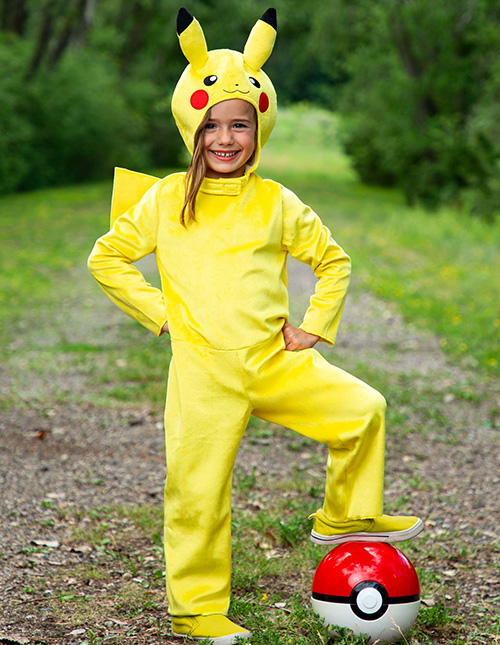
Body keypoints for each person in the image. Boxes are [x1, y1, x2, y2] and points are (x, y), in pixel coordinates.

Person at [88, 7, 423, 644]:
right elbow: (106, 258)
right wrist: (162, 315)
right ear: (191, 125)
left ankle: (344, 514)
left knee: (363, 409)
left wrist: (315, 326)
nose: (225, 137)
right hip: (202, 374)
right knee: (197, 492)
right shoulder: (163, 200)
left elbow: (333, 260)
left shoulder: (276, 201)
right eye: (211, 124)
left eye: (240, 124)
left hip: (273, 359)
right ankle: (197, 608)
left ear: (259, 126)